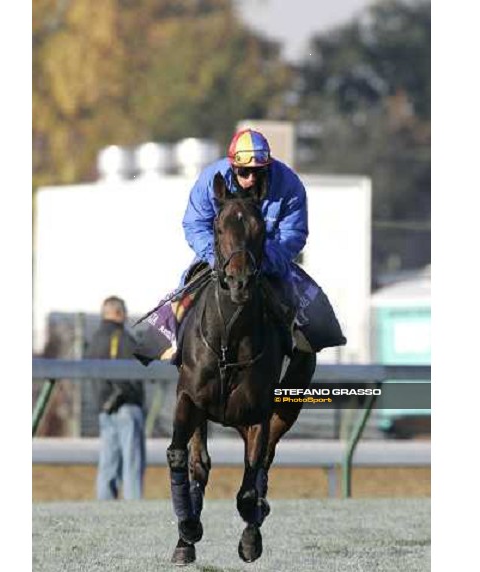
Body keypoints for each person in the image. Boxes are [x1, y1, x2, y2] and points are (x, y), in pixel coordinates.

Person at [137, 128, 346, 360]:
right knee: (185, 289)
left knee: (309, 306)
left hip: (267, 256)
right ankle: (169, 341)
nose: (251, 178)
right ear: (232, 166)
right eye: (244, 172)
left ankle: (300, 356)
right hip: (221, 254)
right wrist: (218, 257)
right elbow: (195, 224)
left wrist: (263, 260)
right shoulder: (210, 179)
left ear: (269, 166)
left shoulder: (289, 184)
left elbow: (293, 234)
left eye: (258, 172)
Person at [86, 296, 146, 500]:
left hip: (105, 409)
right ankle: (134, 508)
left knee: (108, 464)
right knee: (132, 463)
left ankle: (104, 509)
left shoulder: (94, 339)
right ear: (119, 313)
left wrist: (105, 401)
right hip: (126, 407)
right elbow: (136, 371)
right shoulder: (123, 337)